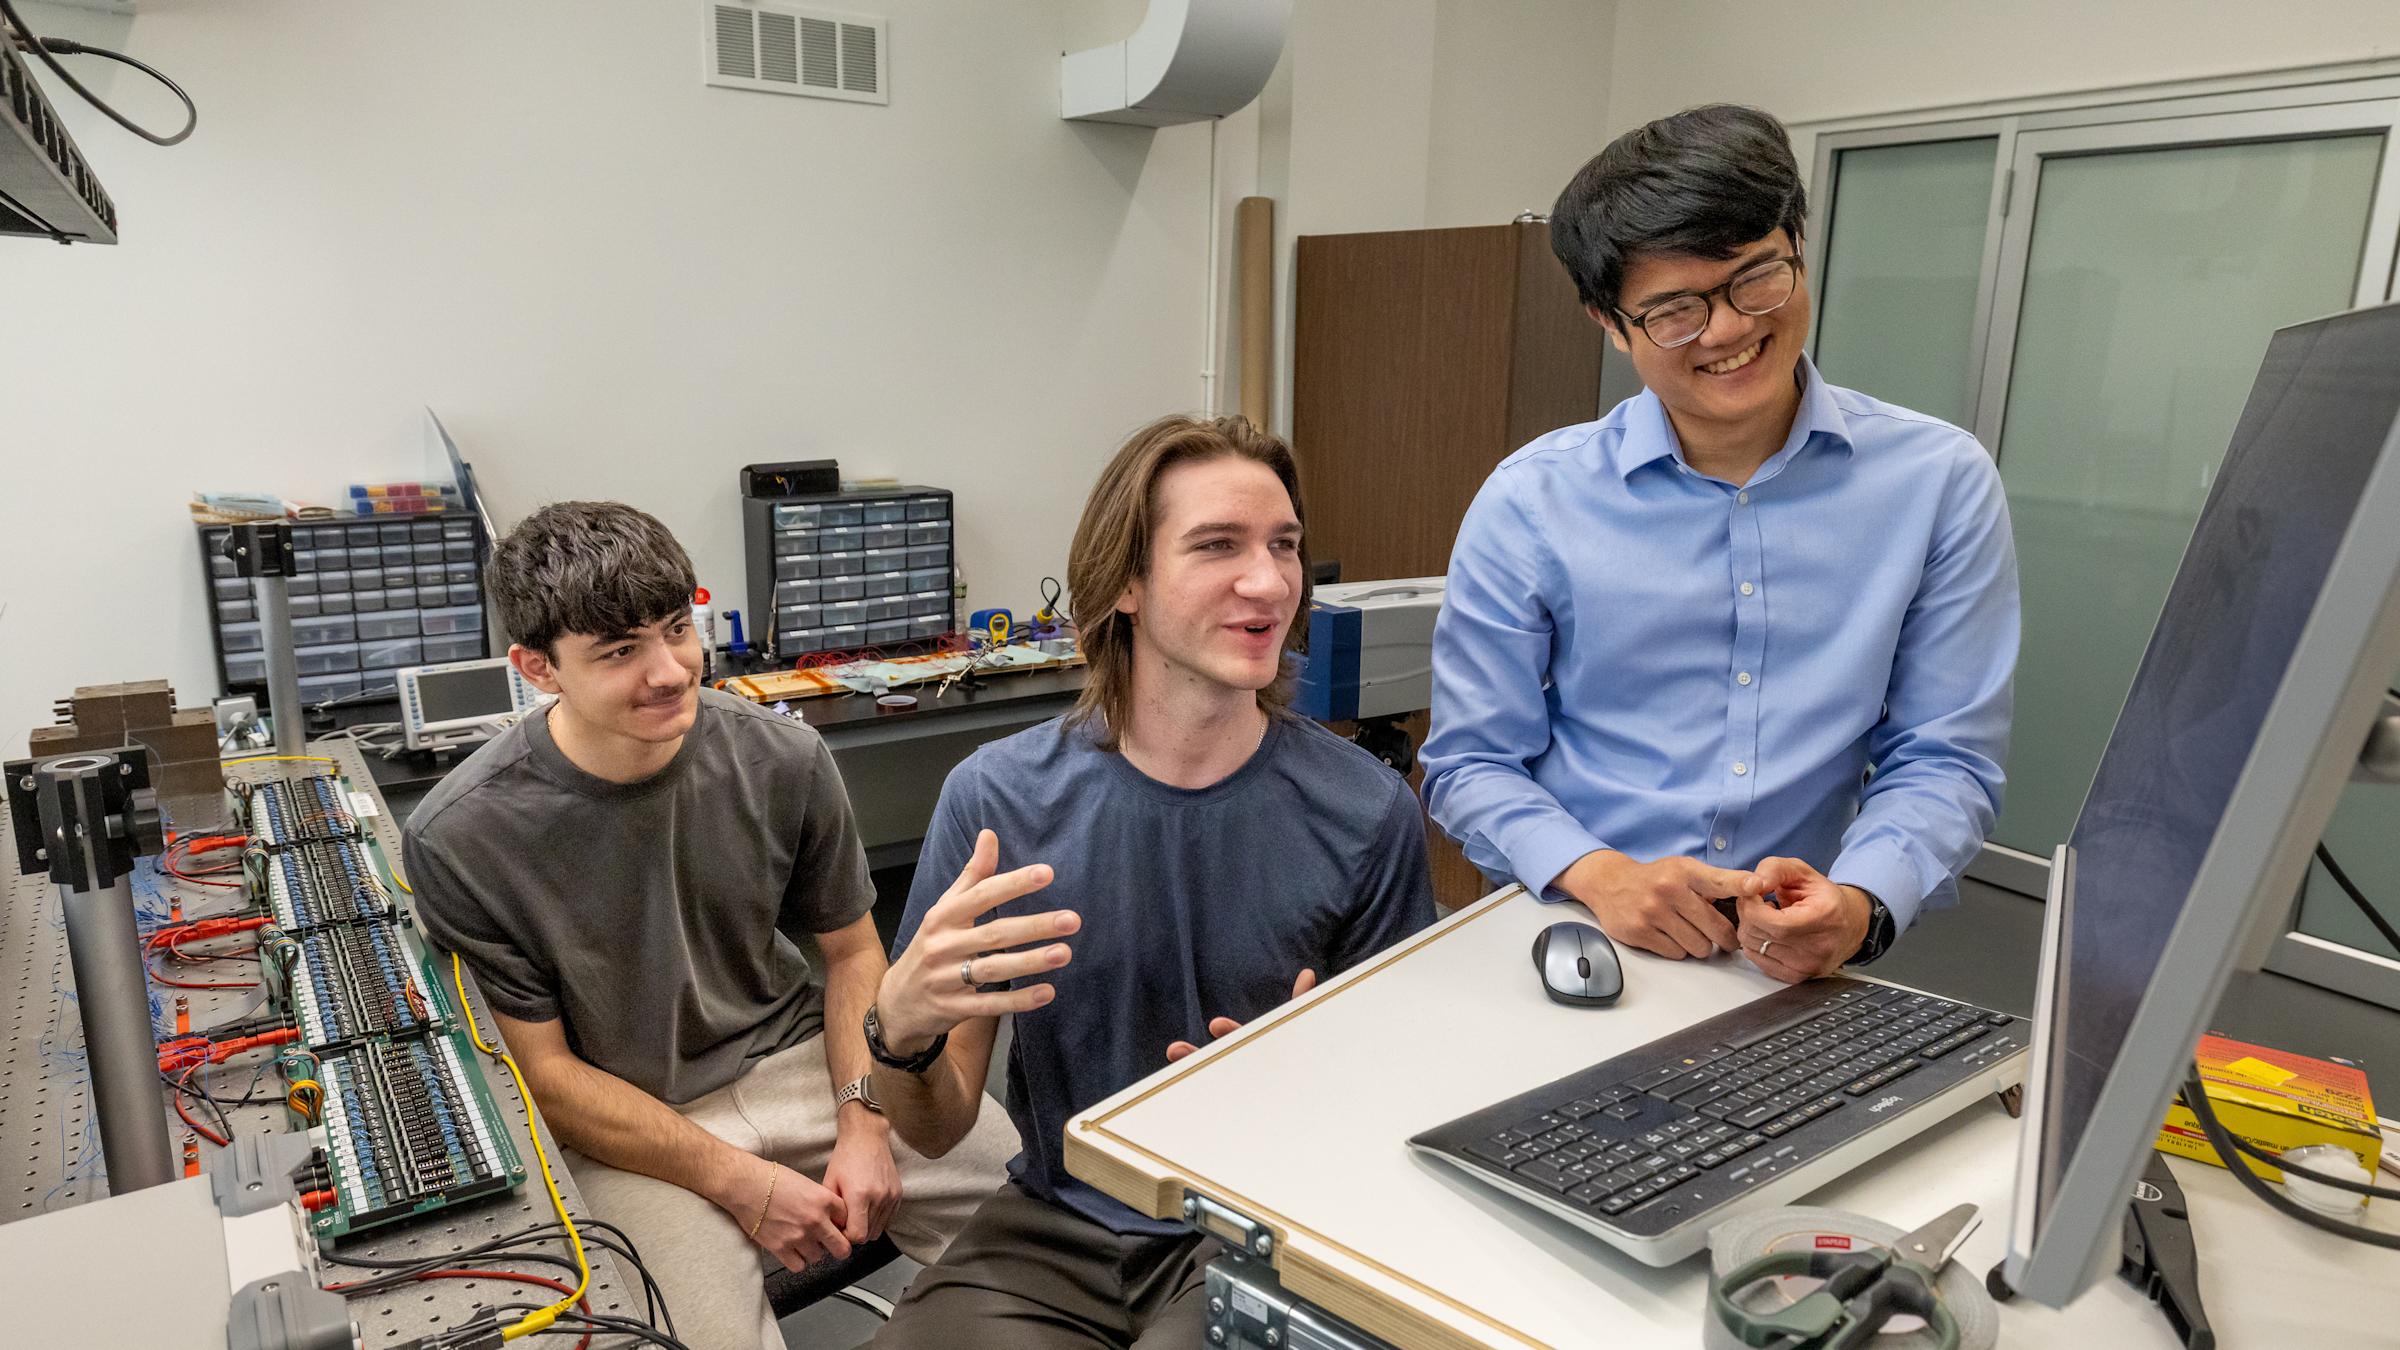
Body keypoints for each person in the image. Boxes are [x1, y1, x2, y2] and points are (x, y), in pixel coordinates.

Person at [855, 415, 1436, 1349]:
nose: (1270, 581)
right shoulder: (997, 800)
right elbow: (935, 1127)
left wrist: (1311, 1093)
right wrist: (901, 1032)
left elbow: (1402, 1117)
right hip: (1055, 1225)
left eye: (1284, 547)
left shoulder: (1367, 813)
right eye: (1218, 546)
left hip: (1260, 1227)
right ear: (1124, 582)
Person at [1423, 104, 2020, 984]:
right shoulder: (1532, 500)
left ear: (1799, 254)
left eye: (1755, 279)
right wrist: (1602, 875)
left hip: (1794, 960)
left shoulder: (1938, 482)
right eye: (1674, 309)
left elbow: (1944, 755)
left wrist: (1858, 903)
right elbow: (1471, 760)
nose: (1731, 328)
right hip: (1579, 940)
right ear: (1607, 321)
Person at [402, 501, 1017, 1350]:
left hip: (804, 1065)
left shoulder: (784, 757)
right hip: (635, 1127)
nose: (669, 670)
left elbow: (851, 953)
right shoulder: (460, 835)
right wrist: (738, 1181)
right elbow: (546, 1075)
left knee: (1036, 1220)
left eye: (674, 629)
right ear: (537, 667)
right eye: (620, 651)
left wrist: (864, 1118)